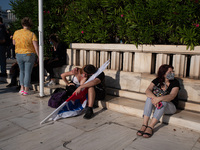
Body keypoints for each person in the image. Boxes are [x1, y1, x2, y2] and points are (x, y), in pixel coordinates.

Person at [137, 64, 180, 138]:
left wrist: (159, 99)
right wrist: (154, 98)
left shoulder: (175, 82)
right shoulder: (157, 80)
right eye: (170, 72)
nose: (172, 73)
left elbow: (172, 96)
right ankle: (144, 124)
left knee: (163, 101)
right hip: (157, 103)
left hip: (170, 107)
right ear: (163, 73)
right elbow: (148, 90)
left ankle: (151, 126)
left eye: (172, 71)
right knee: (149, 98)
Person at [13, 17, 39, 96]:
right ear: (30, 25)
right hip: (29, 54)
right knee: (27, 72)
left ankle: (21, 89)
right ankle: (26, 90)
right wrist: (39, 56)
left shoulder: (16, 32)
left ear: (22, 24)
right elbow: (36, 46)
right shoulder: (31, 34)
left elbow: (14, 43)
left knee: (22, 72)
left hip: (19, 54)